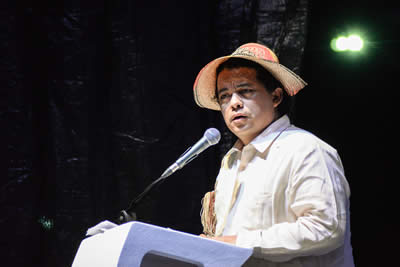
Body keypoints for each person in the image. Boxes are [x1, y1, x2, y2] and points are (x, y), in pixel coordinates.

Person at [194, 43, 354, 266]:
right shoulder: (231, 162)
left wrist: (238, 242)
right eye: (224, 96)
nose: (235, 103)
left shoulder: (306, 149)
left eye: (245, 91)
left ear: (276, 97)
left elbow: (325, 228)